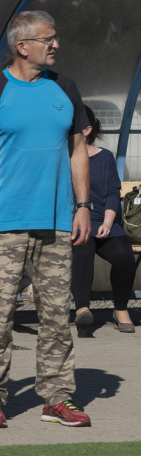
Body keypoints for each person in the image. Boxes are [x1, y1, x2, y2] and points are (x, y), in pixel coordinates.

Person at [0, 10, 93, 429]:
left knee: (57, 315)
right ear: (22, 47)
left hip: (56, 222)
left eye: (54, 38)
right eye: (48, 39)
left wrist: (84, 205)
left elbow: (77, 152)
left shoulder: (65, 89)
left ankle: (57, 398)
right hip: (3, 223)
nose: (56, 45)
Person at [71, 107, 136, 334]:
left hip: (104, 220)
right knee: (82, 250)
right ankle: (82, 310)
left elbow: (112, 192)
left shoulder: (105, 156)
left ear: (87, 129)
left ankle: (120, 309)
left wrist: (109, 223)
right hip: (76, 222)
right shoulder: (61, 156)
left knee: (124, 257)